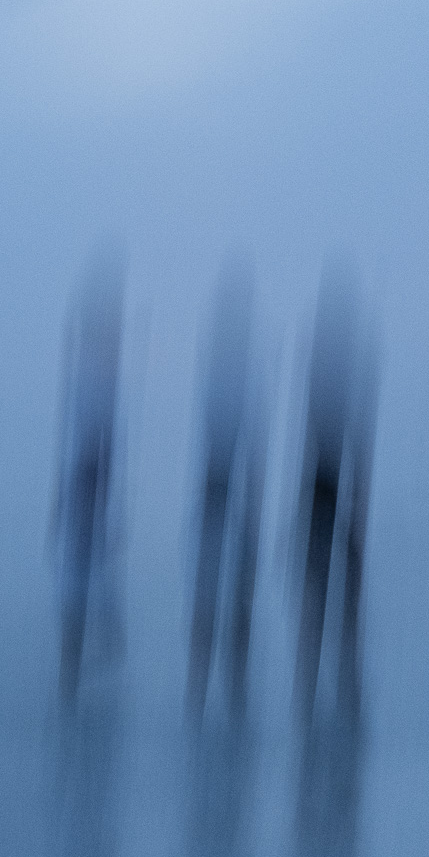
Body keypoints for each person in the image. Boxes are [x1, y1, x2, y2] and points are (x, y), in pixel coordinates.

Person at [293, 261, 377, 726]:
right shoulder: (342, 358)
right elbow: (354, 439)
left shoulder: (326, 356)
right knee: (336, 598)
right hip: (333, 488)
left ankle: (318, 692)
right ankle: (337, 691)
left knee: (322, 597)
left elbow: (319, 438)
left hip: (323, 489)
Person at [186, 253, 264, 723]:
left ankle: (206, 691)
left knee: (214, 591)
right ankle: (225, 690)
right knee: (229, 594)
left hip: (217, 492)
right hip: (226, 492)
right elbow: (248, 438)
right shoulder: (236, 361)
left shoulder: (221, 358)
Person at [51, 252, 127, 706]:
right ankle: (84, 654)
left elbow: (95, 438)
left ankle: (76, 662)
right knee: (86, 566)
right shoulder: (92, 370)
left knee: (84, 567)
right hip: (86, 474)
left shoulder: (97, 371)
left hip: (89, 474)